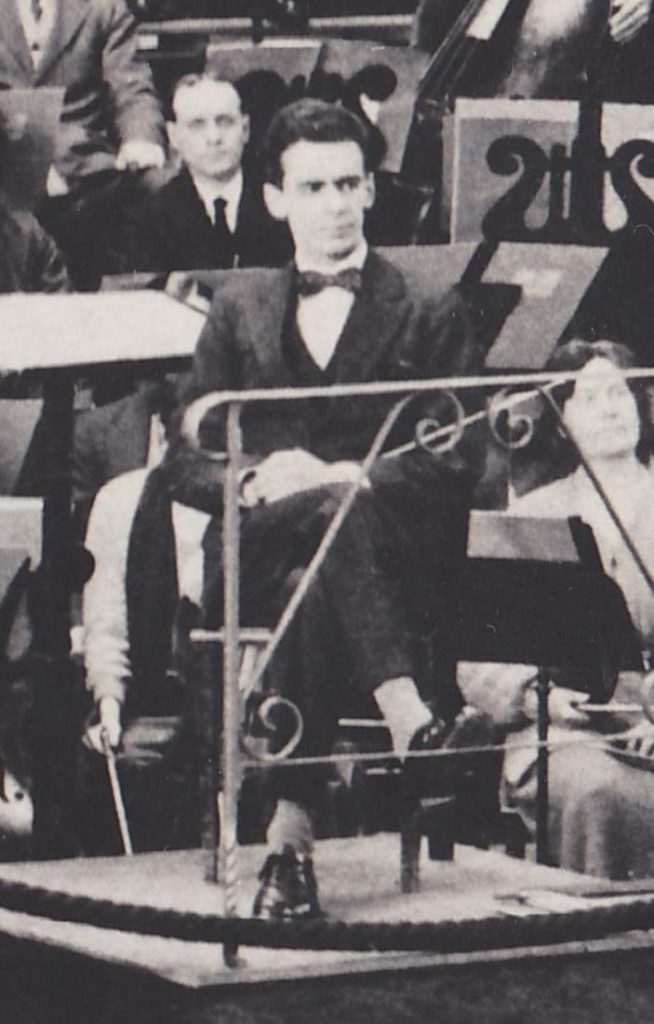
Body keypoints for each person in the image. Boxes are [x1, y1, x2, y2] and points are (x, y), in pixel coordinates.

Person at [162, 98, 484, 918]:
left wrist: (347, 475)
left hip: (384, 557)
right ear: (274, 198)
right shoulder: (239, 307)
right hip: (258, 545)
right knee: (317, 537)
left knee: (329, 550)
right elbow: (185, 458)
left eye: (350, 182)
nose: (336, 203)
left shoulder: (430, 306)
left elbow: (455, 461)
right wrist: (252, 479)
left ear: (373, 191)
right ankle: (406, 714)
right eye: (313, 187)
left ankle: (287, 853)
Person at [459, 339, 654, 879]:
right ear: (562, 418)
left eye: (620, 392)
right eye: (590, 398)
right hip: (568, 737)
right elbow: (476, 660)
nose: (612, 406)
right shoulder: (536, 515)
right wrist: (537, 695)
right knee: (601, 793)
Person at [0, 0, 166, 286]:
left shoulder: (105, 8)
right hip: (7, 159)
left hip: (81, 166)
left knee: (157, 186)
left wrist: (141, 138)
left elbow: (132, 87)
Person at [119, 74, 291, 275]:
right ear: (174, 137)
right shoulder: (151, 217)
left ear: (245, 130)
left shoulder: (280, 201)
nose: (214, 137)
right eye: (197, 125)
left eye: (225, 122)